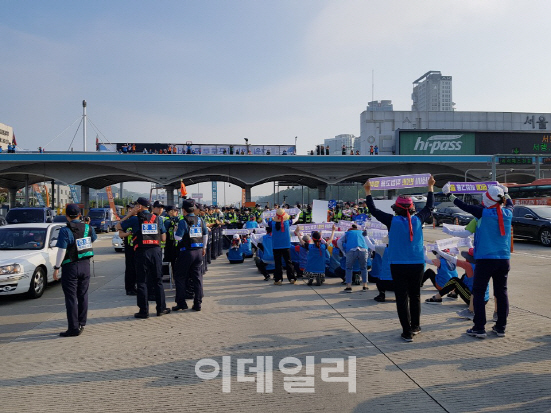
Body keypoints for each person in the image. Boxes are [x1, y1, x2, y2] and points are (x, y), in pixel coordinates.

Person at [364, 176, 435, 342]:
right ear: (411, 209)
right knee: (415, 296)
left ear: (396, 209)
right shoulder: (418, 219)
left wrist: (368, 191)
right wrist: (430, 187)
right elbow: (430, 206)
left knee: (402, 298)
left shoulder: (391, 220)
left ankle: (407, 331)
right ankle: (416, 326)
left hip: (398, 265)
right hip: (417, 264)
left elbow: (373, 210)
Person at [443, 183, 513, 338]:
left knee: (479, 292)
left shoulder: (483, 213)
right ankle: (501, 327)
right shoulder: (509, 212)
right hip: (504, 259)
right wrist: (506, 192)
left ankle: (479, 327)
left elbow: (462, 205)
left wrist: (449, 194)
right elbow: (509, 202)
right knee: (502, 292)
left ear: (487, 200)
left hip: (485, 259)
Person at [116, 197, 170, 318]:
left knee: (141, 282)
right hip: (156, 251)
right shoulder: (157, 219)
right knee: (158, 281)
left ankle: (143, 311)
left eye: (136, 206)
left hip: (141, 252)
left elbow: (118, 226)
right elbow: (163, 238)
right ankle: (161, 308)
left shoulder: (134, 219)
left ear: (139, 207)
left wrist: (130, 214)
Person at [53, 204, 97, 337]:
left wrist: (56, 268)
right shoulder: (88, 227)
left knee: (71, 298)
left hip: (70, 267)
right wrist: (86, 226)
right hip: (85, 266)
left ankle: (73, 328)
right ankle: (82, 323)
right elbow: (93, 239)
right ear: (79, 215)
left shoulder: (65, 231)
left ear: (67, 216)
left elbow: (62, 250)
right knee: (83, 295)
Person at [173, 199, 208, 312]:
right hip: (198, 252)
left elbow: (178, 238)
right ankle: (198, 303)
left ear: (183, 210)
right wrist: (204, 248)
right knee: (197, 278)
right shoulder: (200, 220)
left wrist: (175, 231)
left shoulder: (183, 221)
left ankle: (181, 303)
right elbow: (205, 235)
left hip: (186, 252)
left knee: (180, 277)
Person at [269, 208, 299, 285]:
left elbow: (264, 223)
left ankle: (278, 279)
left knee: (278, 263)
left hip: (276, 246)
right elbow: (295, 219)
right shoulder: (287, 222)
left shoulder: (272, 223)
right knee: (288, 262)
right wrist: (298, 213)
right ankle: (292, 278)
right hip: (286, 245)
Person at [337, 224, 370, 292]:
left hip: (351, 250)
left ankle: (349, 286)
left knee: (349, 268)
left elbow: (339, 241)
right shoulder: (362, 232)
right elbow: (369, 242)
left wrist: (343, 251)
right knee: (364, 268)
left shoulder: (348, 233)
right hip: (363, 250)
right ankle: (365, 286)